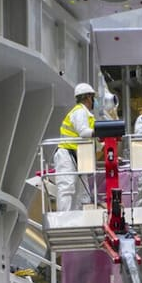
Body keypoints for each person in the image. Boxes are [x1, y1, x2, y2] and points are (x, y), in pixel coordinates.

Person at [54, 83, 96, 212]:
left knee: (82, 192)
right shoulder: (79, 112)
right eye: (93, 97)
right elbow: (83, 132)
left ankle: (77, 218)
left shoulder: (86, 114)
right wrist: (99, 132)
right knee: (67, 187)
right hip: (67, 154)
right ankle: (64, 218)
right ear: (88, 97)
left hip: (78, 155)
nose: (94, 101)